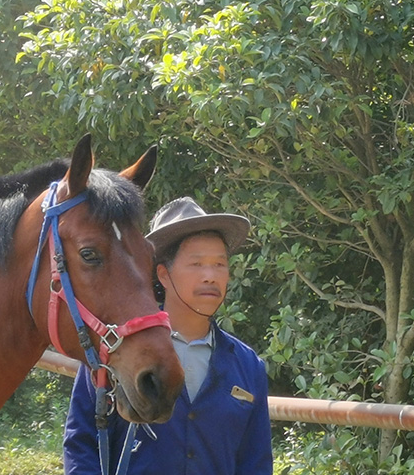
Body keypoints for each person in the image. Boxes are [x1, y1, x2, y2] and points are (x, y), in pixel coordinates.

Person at [63, 197, 272, 475]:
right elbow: (81, 445)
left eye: (219, 264)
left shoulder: (248, 367)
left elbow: (256, 464)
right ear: (163, 274)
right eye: (197, 264)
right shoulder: (114, 349)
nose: (210, 276)